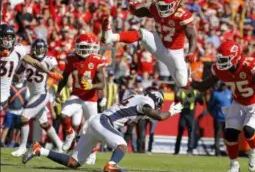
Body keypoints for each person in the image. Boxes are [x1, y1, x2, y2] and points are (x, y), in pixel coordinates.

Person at [22, 87, 183, 172]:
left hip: (96, 122)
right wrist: (171, 112)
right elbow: (158, 116)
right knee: (122, 146)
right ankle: (112, 165)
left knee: (74, 162)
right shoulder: (146, 101)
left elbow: (141, 115)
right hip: (103, 122)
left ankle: (39, 150)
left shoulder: (140, 98)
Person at [191, 40, 255, 172]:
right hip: (238, 102)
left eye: (224, 59)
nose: (221, 63)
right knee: (229, 135)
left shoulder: (248, 65)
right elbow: (203, 86)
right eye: (220, 59)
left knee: (248, 131)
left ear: (235, 58)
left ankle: (254, 150)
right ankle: (234, 166)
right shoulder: (220, 70)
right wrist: (188, 82)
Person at [102, 0, 196, 89]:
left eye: (165, 7)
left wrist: (191, 52)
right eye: (160, 6)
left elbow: (192, 35)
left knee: (182, 83)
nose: (162, 9)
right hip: (159, 45)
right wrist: (134, 10)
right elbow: (144, 12)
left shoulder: (183, 15)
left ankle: (187, 73)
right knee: (142, 33)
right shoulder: (156, 8)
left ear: (176, 4)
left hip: (175, 53)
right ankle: (111, 37)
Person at [55, 33, 106, 164]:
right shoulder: (71, 58)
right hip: (77, 95)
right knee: (63, 115)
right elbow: (65, 76)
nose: (83, 50)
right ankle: (69, 134)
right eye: (81, 47)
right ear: (76, 46)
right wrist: (59, 92)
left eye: (85, 47)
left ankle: (92, 153)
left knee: (93, 127)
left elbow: (102, 84)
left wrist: (92, 85)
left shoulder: (96, 59)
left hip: (91, 98)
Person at [11, 39, 63, 157]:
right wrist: (12, 74)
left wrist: (58, 92)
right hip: (34, 94)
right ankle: (60, 145)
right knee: (44, 123)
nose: (39, 51)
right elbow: (17, 77)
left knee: (24, 117)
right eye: (37, 48)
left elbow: (60, 75)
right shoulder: (26, 60)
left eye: (41, 48)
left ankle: (23, 146)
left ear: (45, 49)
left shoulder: (49, 60)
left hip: (42, 94)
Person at [0, 24, 62, 111]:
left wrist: (49, 72)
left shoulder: (18, 50)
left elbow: (35, 62)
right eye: (6, 37)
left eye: (10, 37)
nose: (8, 40)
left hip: (2, 95)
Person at [0, 80, 29, 148]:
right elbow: (5, 96)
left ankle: (13, 142)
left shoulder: (25, 88)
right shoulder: (10, 86)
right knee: (6, 127)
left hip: (20, 111)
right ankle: (2, 142)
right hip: (10, 110)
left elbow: (27, 99)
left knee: (17, 128)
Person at [174, 88, 202, 155]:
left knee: (187, 134)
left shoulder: (183, 92)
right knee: (186, 134)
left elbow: (201, 102)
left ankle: (185, 150)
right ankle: (185, 150)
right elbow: (201, 102)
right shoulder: (194, 93)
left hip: (187, 116)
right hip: (186, 116)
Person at [208, 81, 232, 156]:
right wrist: (214, 115)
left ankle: (229, 151)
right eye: (222, 85)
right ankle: (217, 152)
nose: (224, 87)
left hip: (227, 119)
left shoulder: (230, 93)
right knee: (217, 135)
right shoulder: (215, 94)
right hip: (218, 118)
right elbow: (210, 106)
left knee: (228, 136)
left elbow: (232, 103)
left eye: (225, 85)